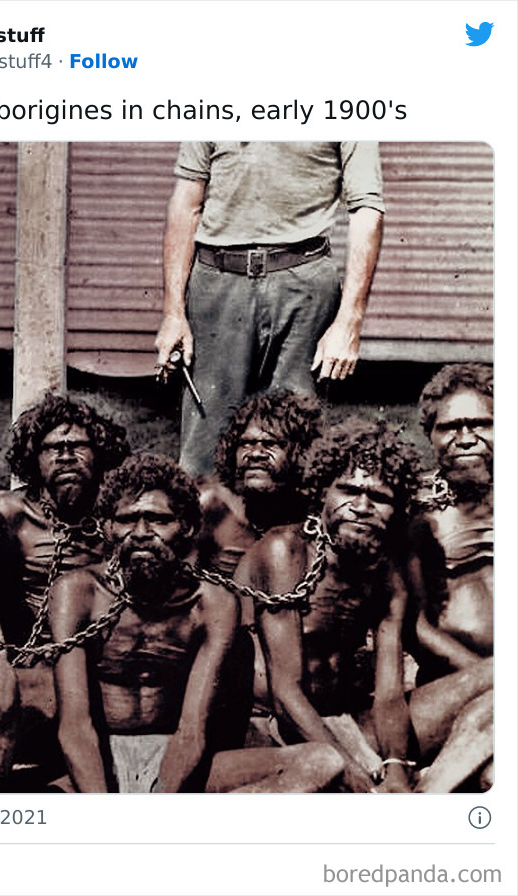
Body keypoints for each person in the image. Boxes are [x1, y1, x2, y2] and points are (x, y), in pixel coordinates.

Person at [49, 454, 343, 793]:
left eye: (158, 519)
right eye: (128, 519)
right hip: (98, 760)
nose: (141, 533)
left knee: (321, 761)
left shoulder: (213, 603)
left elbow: (192, 728)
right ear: (108, 527)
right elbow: (75, 725)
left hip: (178, 760)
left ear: (187, 526)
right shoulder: (77, 591)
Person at [237, 419, 492, 793]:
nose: (361, 507)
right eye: (349, 491)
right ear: (322, 491)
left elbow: (388, 693)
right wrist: (355, 775)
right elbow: (285, 693)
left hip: (353, 723)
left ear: (398, 507)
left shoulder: (386, 570)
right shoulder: (284, 551)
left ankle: (430, 791)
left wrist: (395, 768)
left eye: (380, 498)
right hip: (275, 732)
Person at [155, 141, 385, 476]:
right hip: (218, 283)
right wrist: (173, 314)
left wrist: (349, 322)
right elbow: (186, 203)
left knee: (297, 442)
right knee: (204, 453)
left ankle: (291, 529)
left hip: (303, 286)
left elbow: (368, 210)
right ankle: (209, 524)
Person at [0, 393, 130, 790]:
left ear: (99, 451)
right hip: (35, 673)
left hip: (102, 674)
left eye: (78, 445)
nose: (66, 456)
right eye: (53, 447)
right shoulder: (9, 518)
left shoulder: (120, 517)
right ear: (34, 456)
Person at [407, 363, 494, 790]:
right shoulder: (418, 512)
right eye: (450, 427)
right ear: (431, 434)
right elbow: (413, 626)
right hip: (448, 688)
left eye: (480, 423)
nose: (465, 438)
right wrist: (488, 672)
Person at [198, 389, 323, 576]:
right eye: (246, 443)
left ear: (301, 452)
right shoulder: (212, 505)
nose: (255, 453)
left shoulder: (314, 512)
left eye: (271, 444)